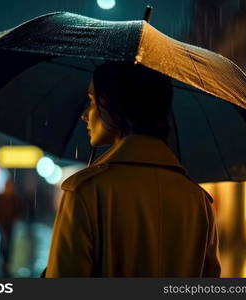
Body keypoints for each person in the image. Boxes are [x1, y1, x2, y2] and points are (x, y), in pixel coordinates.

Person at [44, 62, 221, 277]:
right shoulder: (198, 202)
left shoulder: (86, 192)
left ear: (115, 106)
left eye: (91, 100)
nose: (85, 114)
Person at [0, 180, 23, 276]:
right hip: (2, 222)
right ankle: (4, 257)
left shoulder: (14, 198)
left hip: (10, 223)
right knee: (3, 240)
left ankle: (6, 259)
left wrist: (15, 218)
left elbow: (18, 210)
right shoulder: (0, 197)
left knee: (8, 241)